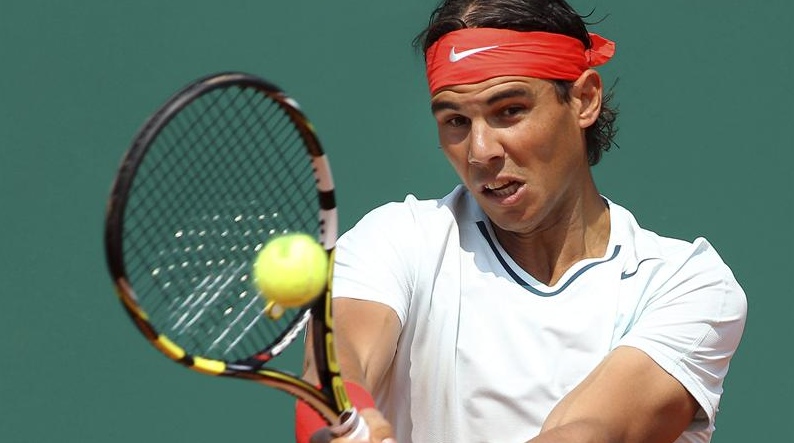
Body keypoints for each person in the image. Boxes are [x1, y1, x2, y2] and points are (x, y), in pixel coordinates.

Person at [295, 0, 747, 442]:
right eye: (456, 121)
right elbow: (336, 363)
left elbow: (589, 432)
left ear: (584, 100)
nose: (480, 152)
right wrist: (347, 417)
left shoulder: (685, 284)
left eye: (509, 111)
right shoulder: (397, 240)